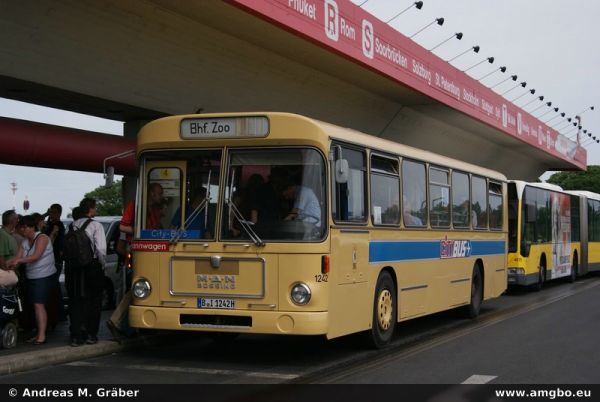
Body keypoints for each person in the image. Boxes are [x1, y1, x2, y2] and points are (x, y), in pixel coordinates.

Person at [7, 215, 57, 344]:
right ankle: (39, 333)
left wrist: (18, 260)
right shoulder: (24, 242)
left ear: (30, 227)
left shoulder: (42, 238)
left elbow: (35, 256)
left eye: (23, 228)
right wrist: (10, 263)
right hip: (32, 276)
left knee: (38, 304)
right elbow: (18, 257)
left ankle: (41, 336)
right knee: (35, 305)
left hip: (44, 276)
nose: (22, 231)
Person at [66, 198, 107, 346]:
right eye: (95, 207)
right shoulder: (96, 225)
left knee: (76, 301)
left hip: (75, 268)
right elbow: (101, 249)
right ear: (90, 209)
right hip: (92, 266)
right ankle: (91, 334)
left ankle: (76, 335)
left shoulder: (71, 226)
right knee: (94, 301)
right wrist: (102, 265)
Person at [0, 210, 19, 287]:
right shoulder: (3, 235)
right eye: (17, 219)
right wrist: (8, 273)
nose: (18, 221)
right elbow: (1, 257)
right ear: (12, 220)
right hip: (7, 278)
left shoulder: (8, 235)